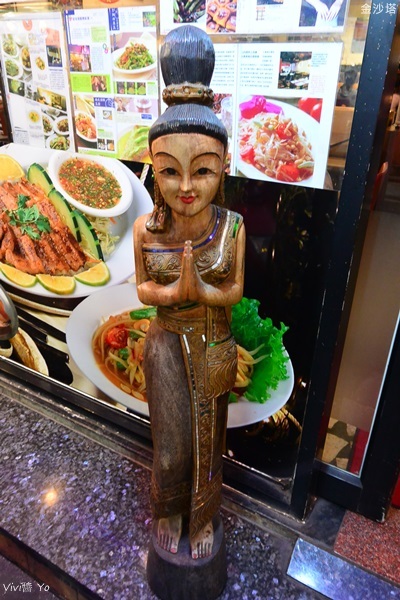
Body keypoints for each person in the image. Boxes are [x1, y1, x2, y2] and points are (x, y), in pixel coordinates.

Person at [133, 26, 245, 561]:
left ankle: (201, 515)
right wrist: (173, 293)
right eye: (168, 171)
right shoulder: (147, 229)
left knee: (208, 444)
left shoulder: (232, 227)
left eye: (202, 170)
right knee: (171, 444)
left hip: (212, 344)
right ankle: (168, 510)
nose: (185, 187)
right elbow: (142, 288)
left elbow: (237, 290)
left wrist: (202, 291)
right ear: (152, 165)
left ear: (224, 165)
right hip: (164, 345)